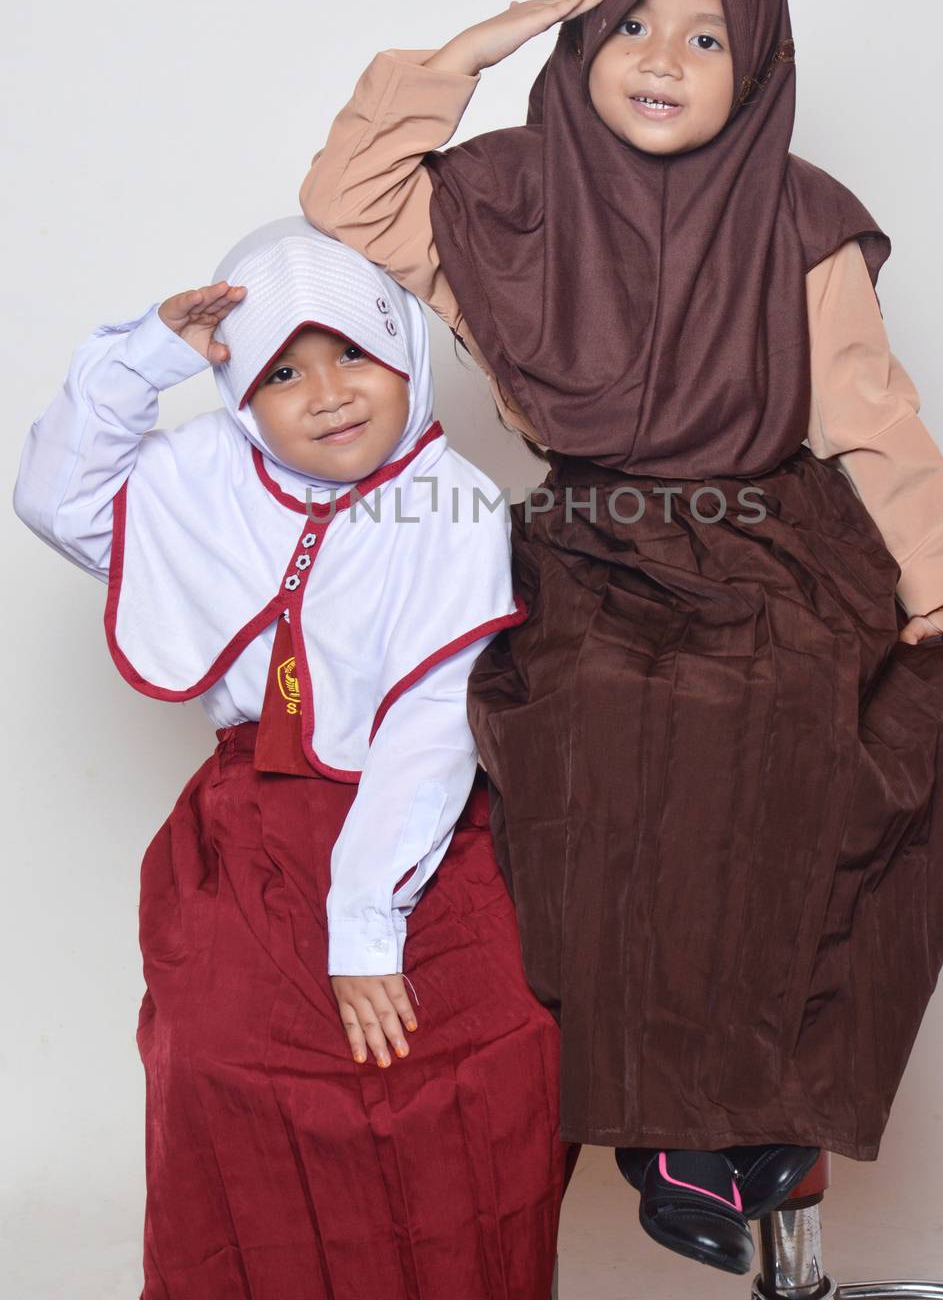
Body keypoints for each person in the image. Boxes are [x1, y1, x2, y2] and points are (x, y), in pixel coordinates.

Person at [298, 0, 943, 1275]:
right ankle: (670, 1128)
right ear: (580, 41)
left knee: (802, 732)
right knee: (613, 734)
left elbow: (869, 409)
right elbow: (345, 202)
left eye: (707, 38)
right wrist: (467, 52)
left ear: (755, 69)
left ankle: (754, 1121)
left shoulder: (801, 216)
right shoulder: (506, 200)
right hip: (589, 552)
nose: (661, 58)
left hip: (776, 545)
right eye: (629, 23)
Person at [13, 216, 570, 1300]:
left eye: (351, 353)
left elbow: (432, 725)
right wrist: (146, 358)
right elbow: (56, 497)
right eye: (281, 371)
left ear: (398, 346)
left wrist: (364, 922)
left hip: (421, 839)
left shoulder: (448, 498)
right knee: (219, 1059)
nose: (327, 394)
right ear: (240, 394)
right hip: (249, 835)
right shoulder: (200, 480)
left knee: (492, 1053)